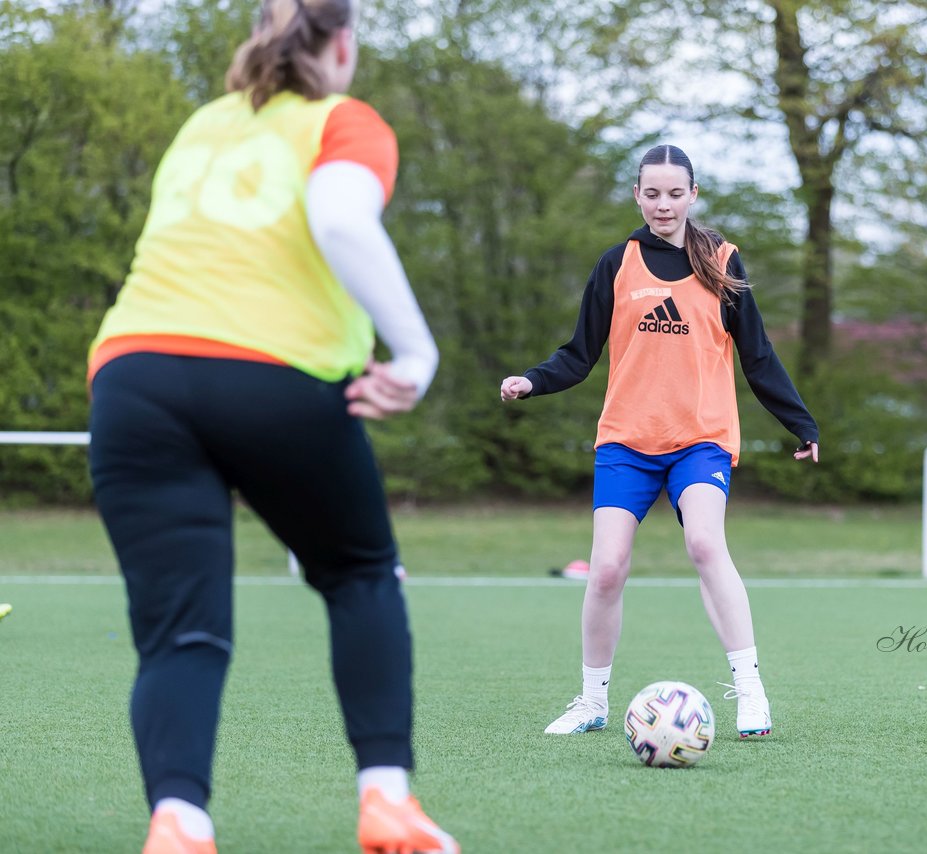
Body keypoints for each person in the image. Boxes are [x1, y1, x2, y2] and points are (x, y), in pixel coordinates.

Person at [86, 1, 458, 852]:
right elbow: (337, 218)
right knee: (361, 573)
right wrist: (415, 353)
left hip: (132, 377)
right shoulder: (343, 119)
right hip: (269, 374)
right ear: (341, 43)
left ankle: (179, 823)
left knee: (183, 627)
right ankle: (386, 801)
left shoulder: (203, 125)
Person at [499, 144, 820, 739]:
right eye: (652, 193)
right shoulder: (615, 265)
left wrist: (800, 423)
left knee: (703, 542)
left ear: (693, 195)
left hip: (701, 438)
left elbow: (758, 354)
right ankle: (592, 702)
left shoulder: (721, 262)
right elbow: (579, 354)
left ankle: (751, 693)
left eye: (675, 193)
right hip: (626, 441)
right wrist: (533, 380)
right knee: (606, 570)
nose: (663, 204)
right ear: (637, 196)